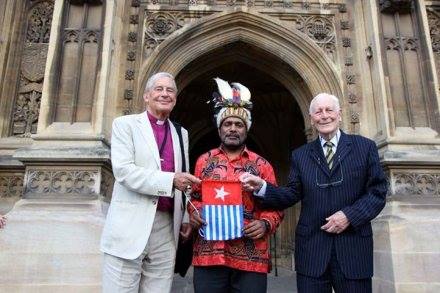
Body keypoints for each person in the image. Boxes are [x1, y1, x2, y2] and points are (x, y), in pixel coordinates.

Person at [240, 93, 388, 293]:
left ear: (340, 115)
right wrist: (262, 187)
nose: (324, 116)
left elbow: (377, 192)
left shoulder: (364, 147)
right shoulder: (300, 155)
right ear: (311, 119)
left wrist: (349, 216)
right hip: (312, 250)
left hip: (353, 248)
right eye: (318, 112)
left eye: (329, 110)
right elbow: (292, 193)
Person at [100, 72, 201, 293]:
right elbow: (124, 171)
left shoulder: (180, 132)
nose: (165, 94)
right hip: (130, 225)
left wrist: (184, 217)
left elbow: (182, 174)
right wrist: (170, 180)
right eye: (159, 89)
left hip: (166, 226)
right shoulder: (125, 125)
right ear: (146, 96)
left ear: (175, 98)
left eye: (170, 90)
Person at [188, 78, 283, 293]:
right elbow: (194, 198)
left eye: (239, 124)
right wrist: (193, 214)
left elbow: (277, 204)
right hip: (209, 254)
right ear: (220, 128)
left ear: (246, 129)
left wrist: (265, 224)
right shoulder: (204, 161)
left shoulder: (262, 165)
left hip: (251, 256)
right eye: (227, 124)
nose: (233, 129)